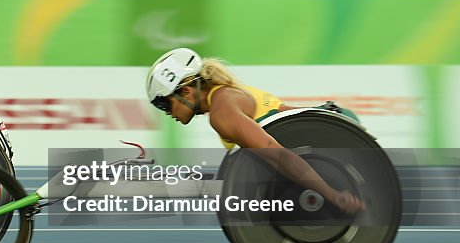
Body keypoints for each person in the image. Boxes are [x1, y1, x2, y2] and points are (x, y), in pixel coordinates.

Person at [145, 47, 364, 213]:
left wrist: (333, 196)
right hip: (331, 123)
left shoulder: (222, 112)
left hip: (333, 132)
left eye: (165, 104)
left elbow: (277, 154)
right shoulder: (222, 96)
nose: (167, 113)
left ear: (185, 91)